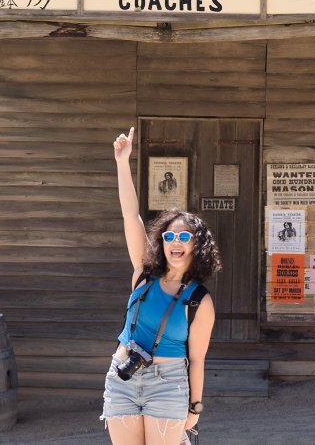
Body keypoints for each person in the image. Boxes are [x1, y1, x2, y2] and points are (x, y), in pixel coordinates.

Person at [103, 127, 221, 445]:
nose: (175, 242)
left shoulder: (199, 300)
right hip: (122, 377)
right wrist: (122, 161)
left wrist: (195, 407)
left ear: (198, 246)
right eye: (169, 236)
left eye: (184, 236)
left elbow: (196, 359)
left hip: (167, 383)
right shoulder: (143, 275)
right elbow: (131, 215)